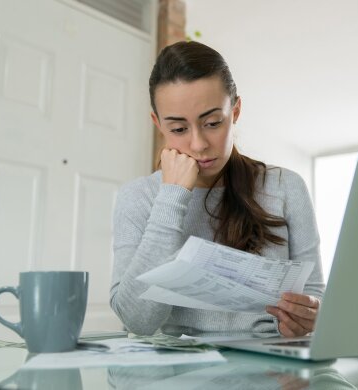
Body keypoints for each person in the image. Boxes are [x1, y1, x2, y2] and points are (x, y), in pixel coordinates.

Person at [110, 41, 325, 338]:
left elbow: (314, 296)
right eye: (179, 129)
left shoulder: (285, 187)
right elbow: (138, 321)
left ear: (235, 111)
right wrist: (172, 198)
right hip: (176, 373)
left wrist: (311, 314)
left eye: (213, 122)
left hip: (270, 370)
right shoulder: (138, 197)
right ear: (158, 124)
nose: (198, 144)